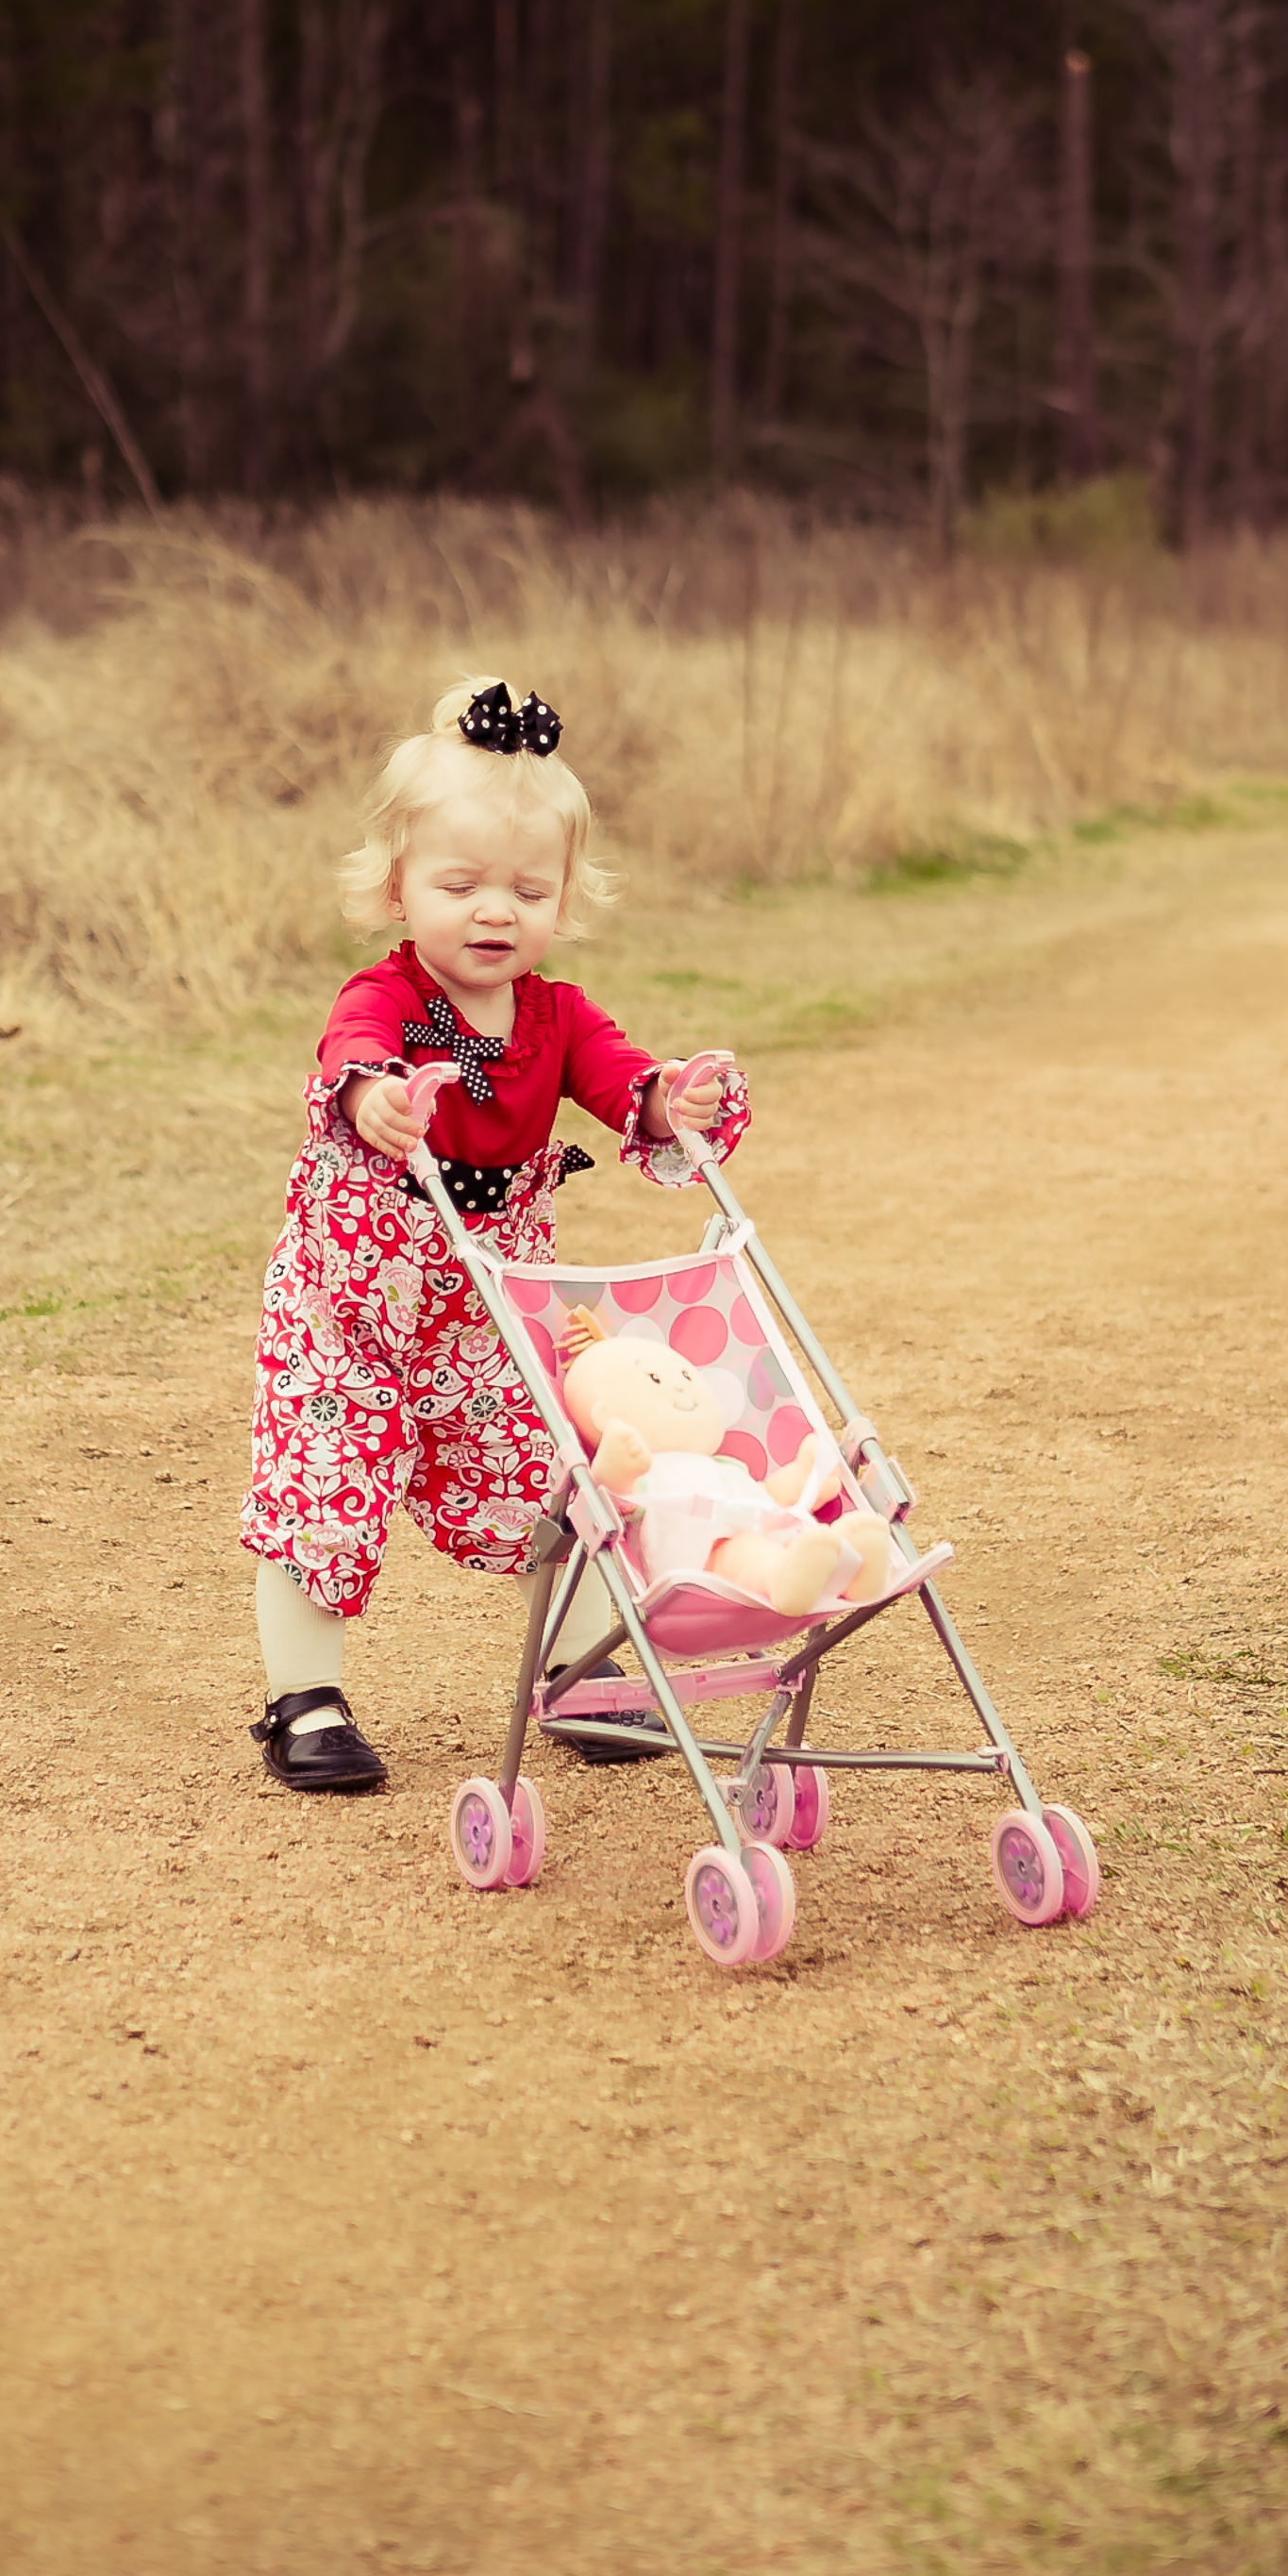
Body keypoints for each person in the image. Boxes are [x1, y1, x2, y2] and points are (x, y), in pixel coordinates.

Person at [240, 675, 750, 1792]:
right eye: (460, 883)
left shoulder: (559, 1018)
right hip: (353, 1306)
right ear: (397, 886)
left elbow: (625, 1084)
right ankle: (304, 1699)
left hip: (485, 1309)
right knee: (324, 1485)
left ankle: (580, 1676)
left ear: (564, 901)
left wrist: (672, 1102)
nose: (492, 911)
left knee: (550, 1481)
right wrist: (376, 1099)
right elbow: (350, 1056)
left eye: (526, 889)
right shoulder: (381, 998)